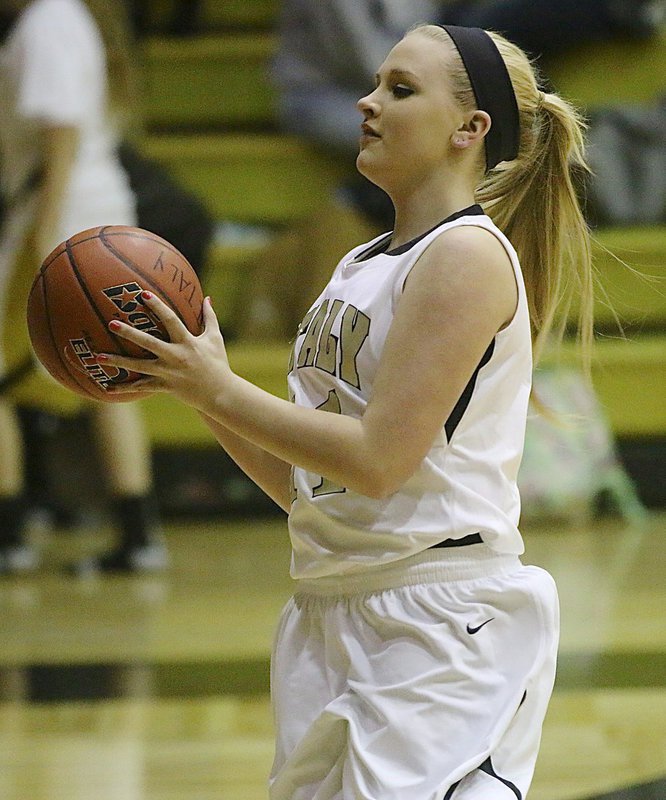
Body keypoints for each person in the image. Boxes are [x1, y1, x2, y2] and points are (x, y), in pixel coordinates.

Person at [94, 23, 593, 797]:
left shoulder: (464, 256)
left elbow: (375, 459)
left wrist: (221, 390)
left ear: (471, 128)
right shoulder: (359, 263)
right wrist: (198, 388)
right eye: (375, 84)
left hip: (437, 624)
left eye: (400, 89)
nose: (367, 102)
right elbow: (311, 490)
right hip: (329, 608)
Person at [0, 0, 166, 575]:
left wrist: (40, 241)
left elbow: (61, 131)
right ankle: (138, 532)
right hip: (89, 212)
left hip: (63, 217)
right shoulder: (68, 18)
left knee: (4, 375)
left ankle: (11, 532)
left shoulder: (49, 20)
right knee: (110, 373)